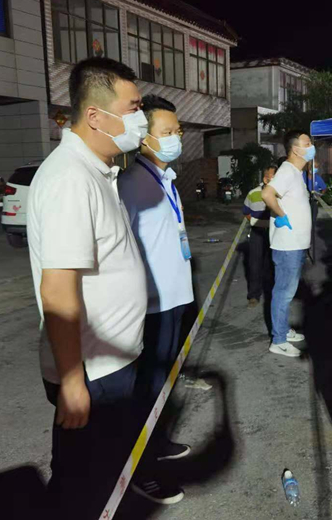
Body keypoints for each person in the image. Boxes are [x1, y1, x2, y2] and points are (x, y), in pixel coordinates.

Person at [27, 57, 149, 519]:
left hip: (108, 365)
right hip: (93, 373)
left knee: (97, 472)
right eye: (133, 107)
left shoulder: (98, 170)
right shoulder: (70, 179)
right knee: (83, 484)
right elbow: (58, 290)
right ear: (96, 116)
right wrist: (73, 382)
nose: (141, 118)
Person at [117, 94, 194, 505]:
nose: (176, 138)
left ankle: (156, 440)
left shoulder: (166, 180)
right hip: (151, 306)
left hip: (175, 299)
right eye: (167, 132)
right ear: (144, 138)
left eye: (177, 131)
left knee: (162, 383)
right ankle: (140, 472)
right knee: (144, 390)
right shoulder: (131, 184)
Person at [261, 130, 313, 357]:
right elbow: (267, 194)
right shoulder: (287, 171)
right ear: (295, 149)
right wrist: (281, 215)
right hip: (288, 245)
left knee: (288, 291)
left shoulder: (295, 173)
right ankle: (278, 340)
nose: (311, 147)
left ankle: (282, 330)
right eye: (307, 143)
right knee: (283, 292)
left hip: (296, 243)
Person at [243, 165, 277, 307]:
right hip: (257, 233)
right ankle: (254, 295)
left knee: (273, 263)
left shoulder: (280, 193)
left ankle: (273, 294)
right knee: (254, 264)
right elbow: (246, 212)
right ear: (265, 179)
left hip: (275, 233)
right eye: (271, 177)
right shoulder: (253, 194)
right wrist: (256, 222)